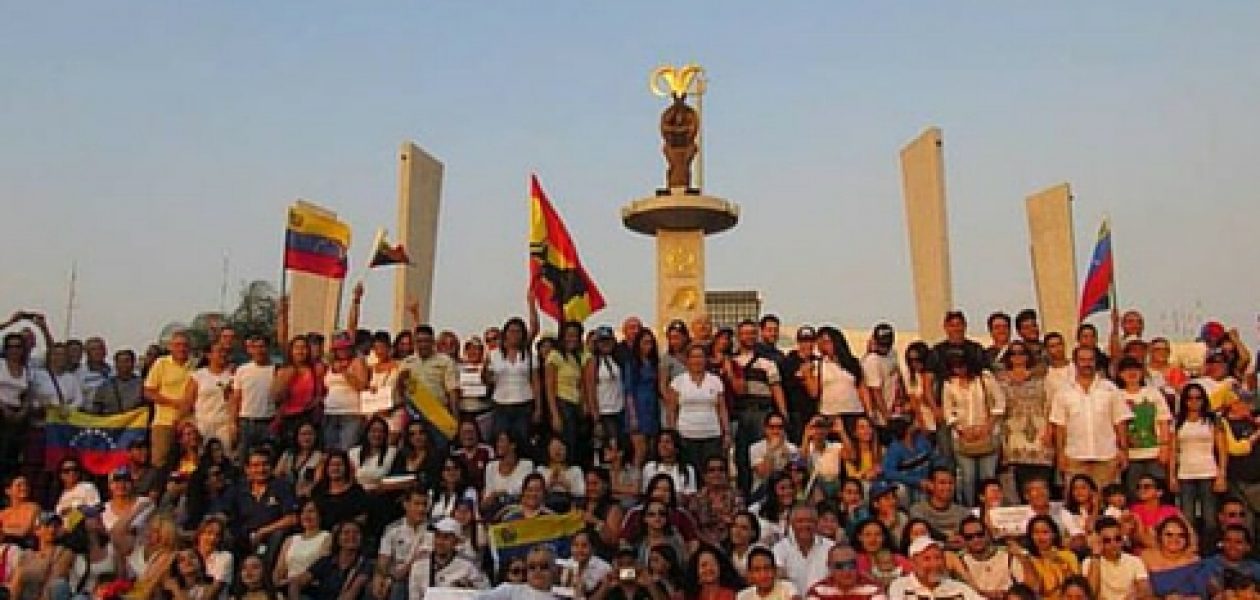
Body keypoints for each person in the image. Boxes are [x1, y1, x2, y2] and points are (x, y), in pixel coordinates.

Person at [1050, 346, 1131, 487]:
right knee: (1075, 502)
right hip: (1075, 456)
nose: (1087, 364)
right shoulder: (1063, 391)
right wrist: (1060, 454)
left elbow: (1120, 421)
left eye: (1090, 360)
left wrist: (1124, 450)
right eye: (1082, 360)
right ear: (1075, 362)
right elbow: (1060, 426)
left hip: (1106, 455)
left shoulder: (1110, 389)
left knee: (1107, 502)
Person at [941, 348, 1004, 508]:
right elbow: (948, 411)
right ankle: (970, 509)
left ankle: (991, 510)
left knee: (988, 477)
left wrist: (987, 426)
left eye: (961, 366)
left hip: (987, 433)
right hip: (963, 436)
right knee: (968, 478)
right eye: (955, 367)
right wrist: (962, 430)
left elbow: (1000, 403)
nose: (959, 370)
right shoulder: (949, 384)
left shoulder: (984, 378)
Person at [213, 447, 298, 562]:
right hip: (243, 540)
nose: (261, 469)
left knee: (278, 536)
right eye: (256, 465)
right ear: (247, 469)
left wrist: (262, 531)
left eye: (265, 464)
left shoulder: (281, 486)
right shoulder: (238, 489)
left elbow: (292, 519)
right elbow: (223, 513)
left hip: (271, 537)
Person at [732, 320, 787, 494]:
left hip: (762, 413)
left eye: (752, 333)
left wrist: (783, 414)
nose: (748, 336)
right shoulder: (732, 362)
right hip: (740, 413)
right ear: (739, 336)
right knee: (741, 458)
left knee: (764, 453)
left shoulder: (767, 363)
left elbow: (776, 388)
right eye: (745, 333)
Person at [1168, 382, 1227, 537]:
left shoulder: (1213, 420)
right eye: (1190, 398)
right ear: (1184, 401)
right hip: (1185, 474)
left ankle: (1209, 552)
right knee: (1187, 519)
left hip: (1208, 473)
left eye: (1198, 398)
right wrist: (1172, 476)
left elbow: (1222, 450)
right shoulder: (1177, 422)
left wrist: (1221, 475)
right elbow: (1173, 451)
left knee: (1210, 519)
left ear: (1203, 400)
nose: (1194, 402)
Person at [998, 340, 1054, 493]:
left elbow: (1049, 405)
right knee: (1020, 486)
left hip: (1039, 435)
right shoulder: (1000, 380)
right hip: (1013, 436)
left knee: (1041, 483)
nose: (1017, 356)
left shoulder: (1041, 378)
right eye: (1013, 353)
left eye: (1021, 352)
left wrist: (1049, 431)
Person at [668, 345, 731, 478]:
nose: (697, 360)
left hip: (712, 435)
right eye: (694, 357)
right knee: (690, 474)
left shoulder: (715, 380)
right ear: (688, 360)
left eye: (700, 356)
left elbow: (722, 409)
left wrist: (726, 433)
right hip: (686, 436)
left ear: (706, 359)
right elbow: (672, 410)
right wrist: (673, 435)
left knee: (711, 473)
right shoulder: (678, 381)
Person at [1115, 358, 1171, 490]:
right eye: (1127, 370)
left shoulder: (1153, 393)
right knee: (1133, 491)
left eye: (1135, 369)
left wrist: (1164, 447)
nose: (1131, 373)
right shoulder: (1117, 395)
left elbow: (1163, 421)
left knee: (1157, 489)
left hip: (1154, 453)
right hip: (1130, 456)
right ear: (1120, 374)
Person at [485, 316, 540, 446]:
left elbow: (536, 383)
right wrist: (485, 375)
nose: (514, 335)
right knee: (501, 441)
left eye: (518, 331)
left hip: (524, 404)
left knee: (522, 441)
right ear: (505, 334)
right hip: (501, 404)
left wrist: (538, 408)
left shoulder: (529, 355)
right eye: (511, 331)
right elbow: (488, 380)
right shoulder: (493, 355)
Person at [403, 517, 489, 600]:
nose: (440, 542)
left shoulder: (468, 567)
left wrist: (468, 590)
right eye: (437, 536)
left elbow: (485, 593)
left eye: (446, 537)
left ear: (456, 542)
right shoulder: (419, 566)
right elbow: (413, 597)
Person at [145, 331, 194, 467]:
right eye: (177, 345)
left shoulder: (195, 365)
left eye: (185, 345)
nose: (181, 348)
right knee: (160, 463)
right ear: (170, 347)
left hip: (189, 423)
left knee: (189, 462)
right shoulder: (161, 363)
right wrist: (174, 403)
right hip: (164, 422)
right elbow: (148, 392)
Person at [948, 517, 1027, 600]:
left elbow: (1024, 587)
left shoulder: (1008, 556)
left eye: (980, 534)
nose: (976, 539)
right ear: (963, 539)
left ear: (987, 533)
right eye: (969, 537)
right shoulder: (958, 561)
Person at [375, 489, 434, 600]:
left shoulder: (434, 529)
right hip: (397, 578)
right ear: (406, 504)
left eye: (424, 504)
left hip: (424, 576)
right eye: (417, 504)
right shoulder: (392, 529)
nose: (421, 509)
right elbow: (383, 562)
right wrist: (381, 578)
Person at [294, 521, 372, 600]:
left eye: (356, 533)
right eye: (346, 533)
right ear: (338, 538)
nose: (351, 536)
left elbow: (352, 593)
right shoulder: (326, 561)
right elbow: (297, 582)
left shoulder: (365, 564)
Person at [1139, 514, 1211, 598]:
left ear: (1187, 539)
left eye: (1181, 535)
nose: (1175, 539)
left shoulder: (1194, 561)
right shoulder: (1146, 558)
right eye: (1169, 534)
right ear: (1160, 536)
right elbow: (1143, 594)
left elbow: (1201, 595)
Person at [886, 537, 983, 600]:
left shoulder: (959, 588)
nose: (935, 564)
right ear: (913, 563)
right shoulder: (900, 586)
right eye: (927, 559)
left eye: (938, 558)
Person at [231, 334, 277, 465]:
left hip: (269, 422)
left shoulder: (276, 370)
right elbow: (236, 398)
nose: (259, 350)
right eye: (255, 347)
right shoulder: (242, 370)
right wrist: (233, 423)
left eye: (262, 347)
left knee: (269, 460)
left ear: (268, 348)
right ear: (250, 349)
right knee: (244, 460)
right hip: (246, 422)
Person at [273, 499, 331, 599]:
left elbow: (319, 568)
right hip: (285, 587)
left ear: (320, 515)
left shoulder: (327, 537)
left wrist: (292, 582)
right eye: (303, 512)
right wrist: (278, 582)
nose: (306, 516)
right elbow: (279, 569)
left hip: (311, 588)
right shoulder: (290, 539)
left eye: (311, 511)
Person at [7, 512, 73, 600]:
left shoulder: (63, 552)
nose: (52, 529)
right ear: (37, 531)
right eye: (47, 526)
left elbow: (54, 582)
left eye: (55, 526)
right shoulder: (27, 554)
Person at [1082, 517, 1151, 600]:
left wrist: (1137, 595)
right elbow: (1091, 594)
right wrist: (1096, 555)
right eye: (1107, 540)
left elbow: (1145, 589)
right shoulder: (1090, 562)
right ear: (1098, 540)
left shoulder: (1134, 561)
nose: (1113, 544)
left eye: (1117, 539)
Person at [772, 504, 835, 594]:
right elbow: (779, 580)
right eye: (800, 521)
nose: (805, 525)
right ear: (792, 524)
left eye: (810, 521)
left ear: (816, 523)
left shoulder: (831, 547)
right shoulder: (780, 549)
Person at [624, 329, 663, 471]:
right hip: (638, 407)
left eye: (651, 343)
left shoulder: (653, 363)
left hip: (652, 407)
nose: (649, 346)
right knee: (640, 450)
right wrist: (633, 416)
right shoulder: (633, 364)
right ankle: (635, 480)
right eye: (645, 343)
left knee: (651, 450)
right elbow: (629, 391)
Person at [322, 332, 368, 452]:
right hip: (330, 411)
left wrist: (344, 372)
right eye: (339, 348)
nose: (342, 351)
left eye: (345, 348)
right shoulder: (330, 365)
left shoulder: (357, 361)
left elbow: (362, 386)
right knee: (329, 448)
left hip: (351, 411)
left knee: (347, 449)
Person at [908, 467, 970, 549]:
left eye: (951, 483)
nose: (948, 487)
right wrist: (946, 541)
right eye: (942, 483)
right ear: (931, 485)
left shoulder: (963, 512)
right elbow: (920, 538)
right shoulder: (917, 510)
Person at [189, 344, 234, 450]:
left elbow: (234, 403)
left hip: (223, 425)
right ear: (209, 355)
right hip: (202, 425)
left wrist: (233, 425)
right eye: (219, 351)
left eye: (225, 352)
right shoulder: (198, 376)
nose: (223, 355)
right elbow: (188, 401)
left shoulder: (233, 376)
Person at [477, 544, 560, 600]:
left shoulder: (559, 597)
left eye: (544, 566)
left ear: (554, 570)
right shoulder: (510, 589)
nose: (537, 570)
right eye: (532, 567)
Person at [862, 323, 906, 426]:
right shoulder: (872, 360)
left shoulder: (892, 353)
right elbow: (875, 392)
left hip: (896, 410)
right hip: (882, 416)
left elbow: (897, 377)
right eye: (882, 344)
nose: (885, 348)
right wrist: (886, 415)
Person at [803, 544, 883, 600]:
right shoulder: (817, 591)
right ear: (829, 567)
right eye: (840, 566)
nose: (846, 571)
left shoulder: (874, 588)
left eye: (851, 565)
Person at [748, 413, 798, 498]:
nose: (776, 431)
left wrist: (788, 455)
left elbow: (797, 475)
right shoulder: (755, 448)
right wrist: (771, 450)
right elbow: (764, 475)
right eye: (772, 427)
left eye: (780, 427)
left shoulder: (792, 448)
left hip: (786, 489)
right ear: (765, 429)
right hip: (763, 489)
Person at [589, 547, 664, 600]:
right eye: (621, 564)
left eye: (629, 564)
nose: (625, 568)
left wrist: (650, 585)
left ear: (637, 565)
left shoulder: (650, 585)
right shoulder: (606, 584)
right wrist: (604, 588)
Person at [736, 547, 800, 600]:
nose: (763, 574)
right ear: (750, 574)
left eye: (767, 568)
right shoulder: (743, 597)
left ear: (775, 570)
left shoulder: (787, 589)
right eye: (757, 570)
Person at [0, 476, 38, 543]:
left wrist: (3, 530)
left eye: (26, 485)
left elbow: (24, 532)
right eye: (19, 485)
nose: (24, 488)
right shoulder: (3, 513)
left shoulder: (33, 508)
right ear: (8, 491)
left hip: (25, 549)